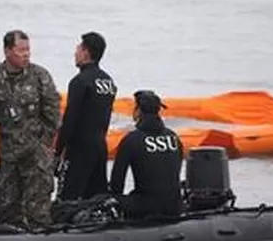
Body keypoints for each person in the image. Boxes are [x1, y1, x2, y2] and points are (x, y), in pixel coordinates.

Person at [0, 29, 62, 229]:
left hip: (35, 152)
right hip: (9, 153)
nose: (26, 54)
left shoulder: (40, 76)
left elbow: (53, 113)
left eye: (28, 50)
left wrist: (46, 144)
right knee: (8, 207)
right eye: (21, 50)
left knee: (38, 208)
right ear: (7, 51)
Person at [55, 32, 117, 201]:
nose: (75, 53)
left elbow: (70, 120)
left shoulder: (80, 81)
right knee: (97, 199)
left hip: (79, 150)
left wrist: (57, 152)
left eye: (78, 49)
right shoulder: (108, 82)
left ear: (86, 52)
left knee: (68, 199)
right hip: (99, 147)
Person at [109, 90, 184, 219]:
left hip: (146, 207)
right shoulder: (174, 137)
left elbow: (117, 182)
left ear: (138, 111)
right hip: (175, 206)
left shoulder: (131, 140)